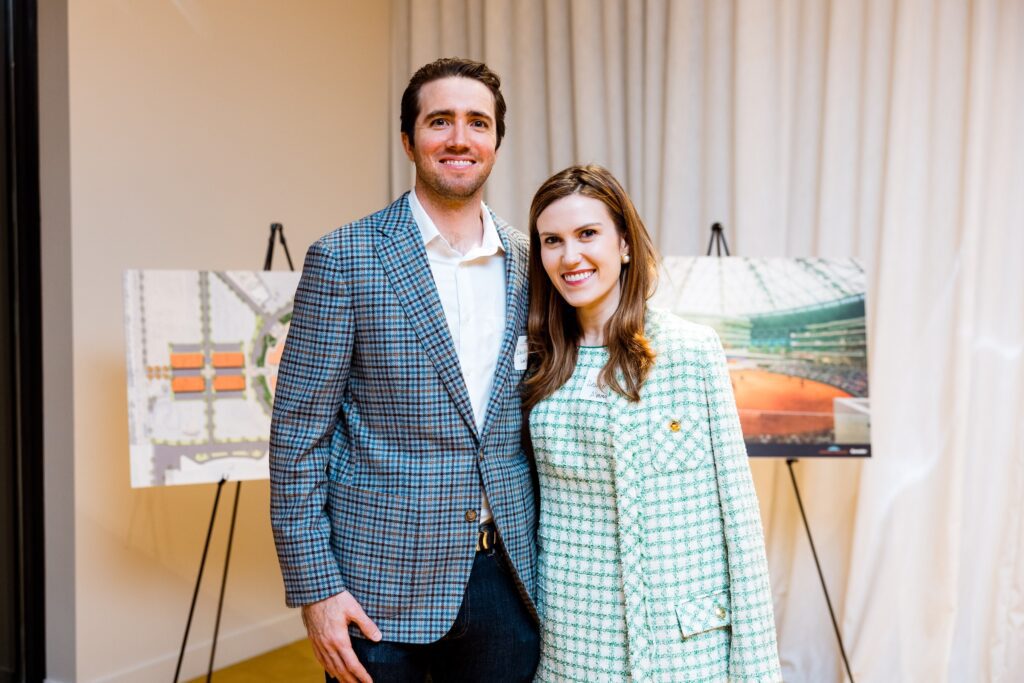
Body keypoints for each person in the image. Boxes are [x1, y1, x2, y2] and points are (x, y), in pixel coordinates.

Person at [269, 57, 539, 683]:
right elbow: (297, 440)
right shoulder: (344, 258)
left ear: (496, 141)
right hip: (376, 594)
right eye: (438, 121)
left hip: (510, 584)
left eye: (477, 122)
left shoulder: (532, 263)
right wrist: (318, 591)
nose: (458, 138)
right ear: (408, 140)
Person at [523, 164, 781, 681]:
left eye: (587, 234)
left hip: (688, 648)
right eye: (552, 241)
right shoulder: (536, 364)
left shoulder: (691, 352)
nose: (570, 256)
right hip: (573, 648)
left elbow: (740, 519)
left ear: (623, 244)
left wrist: (757, 670)